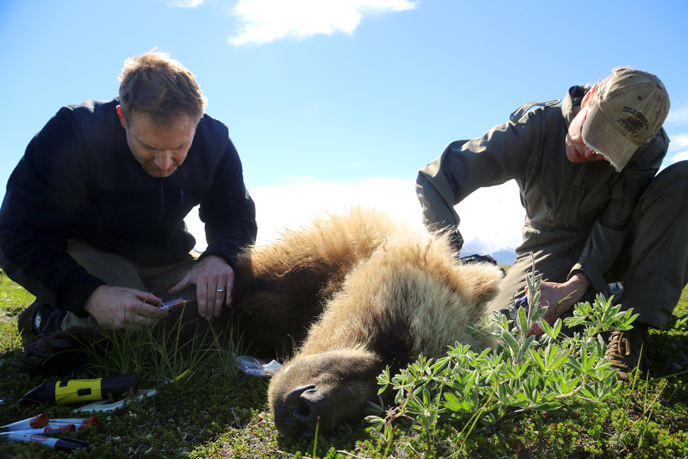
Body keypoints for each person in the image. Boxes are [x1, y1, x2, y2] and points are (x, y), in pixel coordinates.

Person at [417, 67, 688, 379]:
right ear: (588, 98)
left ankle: (632, 330)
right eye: (592, 133)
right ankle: (608, 299)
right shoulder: (533, 129)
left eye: (607, 150)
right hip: (549, 246)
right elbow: (436, 177)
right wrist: (448, 247)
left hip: (621, 243)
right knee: (504, 334)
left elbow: (617, 220)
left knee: (684, 181)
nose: (588, 151)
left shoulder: (648, 149)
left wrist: (575, 284)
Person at [0, 51, 257, 334]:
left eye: (180, 147)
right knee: (127, 327)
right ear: (123, 117)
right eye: (149, 147)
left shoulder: (215, 141)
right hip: (93, 253)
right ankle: (44, 317)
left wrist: (218, 257)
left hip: (168, 258)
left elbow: (235, 214)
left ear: (197, 122)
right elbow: (17, 231)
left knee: (225, 308)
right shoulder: (71, 134)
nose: (165, 162)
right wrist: (90, 295)